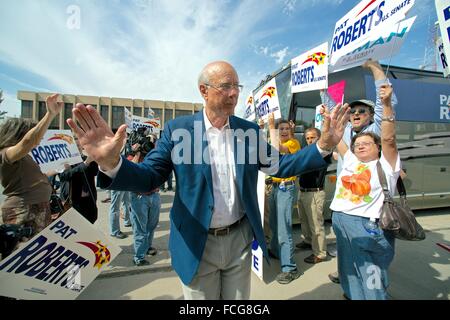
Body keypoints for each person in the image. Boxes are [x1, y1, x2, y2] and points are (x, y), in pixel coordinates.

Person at [67, 61, 350, 300]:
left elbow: (281, 165)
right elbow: (151, 176)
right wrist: (112, 163)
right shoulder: (178, 130)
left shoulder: (248, 131)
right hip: (196, 241)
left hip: (240, 240)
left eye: (236, 87)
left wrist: (322, 146)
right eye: (226, 86)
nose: (234, 94)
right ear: (204, 90)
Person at [321, 59, 397, 284]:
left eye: (361, 111)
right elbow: (333, 111)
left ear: (371, 116)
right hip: (344, 205)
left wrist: (374, 68)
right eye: (352, 111)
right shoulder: (345, 134)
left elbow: (385, 104)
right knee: (345, 246)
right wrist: (321, 83)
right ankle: (346, 276)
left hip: (368, 209)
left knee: (370, 260)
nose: (355, 114)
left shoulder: (375, 131)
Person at [0, 94, 63, 246]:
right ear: (18, 135)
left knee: (39, 252)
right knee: (23, 254)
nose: (41, 138)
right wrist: (50, 114)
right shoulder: (6, 154)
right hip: (23, 209)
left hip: (39, 207)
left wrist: (54, 172)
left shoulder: (25, 157)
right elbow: (29, 141)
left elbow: (32, 177)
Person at [267, 115, 302, 284]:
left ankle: (290, 268)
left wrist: (271, 127)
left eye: (286, 128)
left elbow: (276, 148)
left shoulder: (293, 143)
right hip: (275, 187)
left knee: (283, 229)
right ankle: (275, 251)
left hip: (286, 188)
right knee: (274, 223)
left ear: (291, 131)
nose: (284, 131)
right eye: (280, 129)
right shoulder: (281, 141)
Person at [297, 127, 331, 264]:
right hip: (303, 191)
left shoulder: (323, 153)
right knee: (304, 220)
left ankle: (320, 254)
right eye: (308, 138)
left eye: (313, 137)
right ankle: (307, 241)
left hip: (315, 193)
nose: (310, 140)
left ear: (319, 137)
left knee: (316, 225)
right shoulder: (306, 151)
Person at [129, 140, 161, 266]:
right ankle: (139, 257)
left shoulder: (154, 158)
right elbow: (131, 170)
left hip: (154, 195)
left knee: (151, 225)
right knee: (140, 228)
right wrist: (136, 154)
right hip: (139, 197)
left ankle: (147, 247)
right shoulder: (133, 157)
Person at [58, 138, 99, 224]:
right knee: (76, 225)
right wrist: (85, 164)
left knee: (89, 223)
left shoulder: (85, 158)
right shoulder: (65, 161)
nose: (79, 147)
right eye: (76, 146)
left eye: (80, 145)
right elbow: (64, 176)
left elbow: (95, 172)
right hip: (73, 200)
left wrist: (95, 160)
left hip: (88, 199)